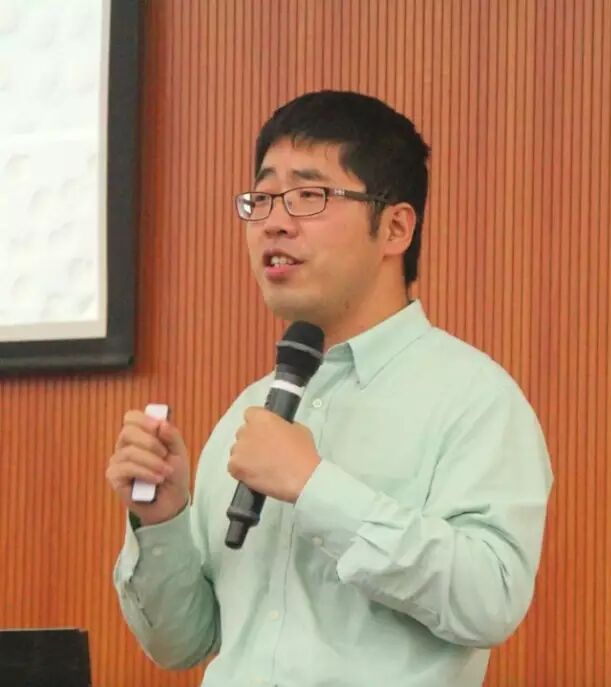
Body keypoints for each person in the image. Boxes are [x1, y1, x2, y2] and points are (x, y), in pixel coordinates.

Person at [108, 90, 553, 687]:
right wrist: (163, 520)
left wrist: (315, 487)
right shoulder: (252, 409)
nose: (274, 221)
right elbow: (181, 643)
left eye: (309, 195)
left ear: (395, 227)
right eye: (263, 198)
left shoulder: (473, 398)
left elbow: (490, 599)